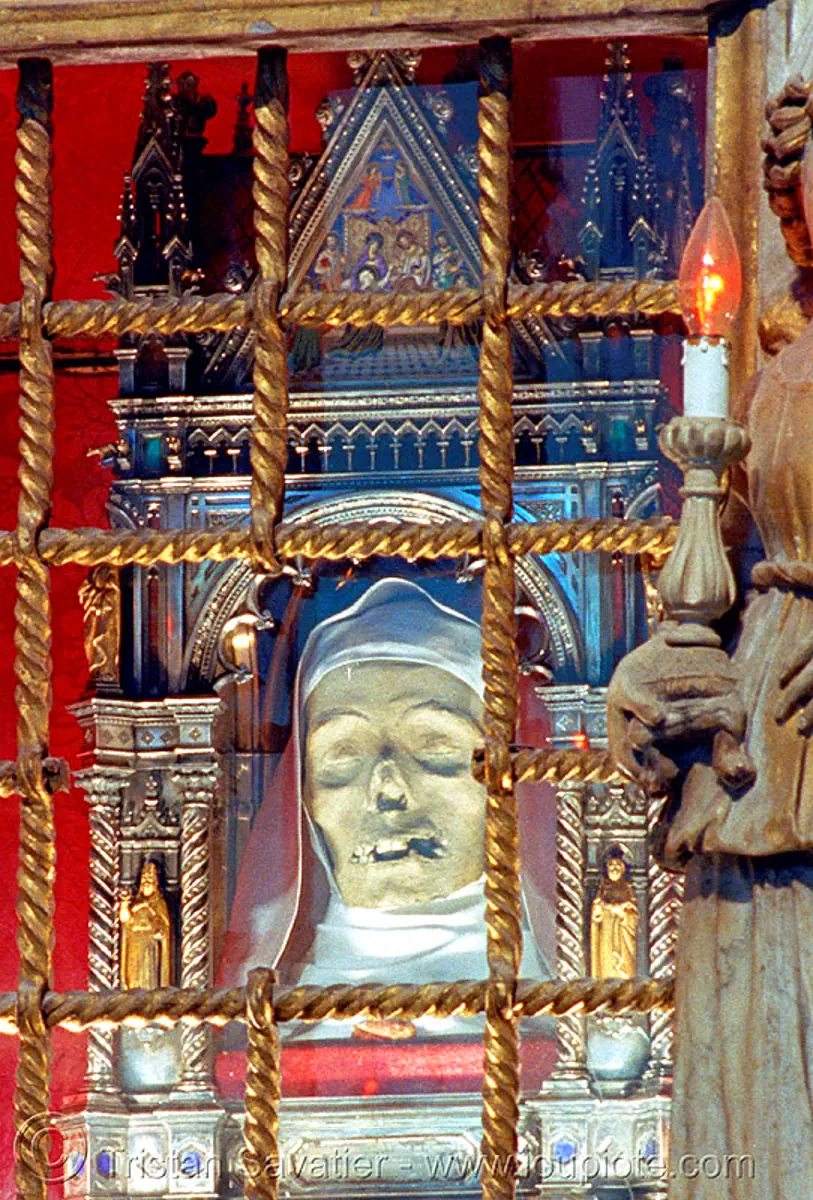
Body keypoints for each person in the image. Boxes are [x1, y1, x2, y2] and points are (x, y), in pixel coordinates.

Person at [606, 82, 813, 1198]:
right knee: (753, 1087)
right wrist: (654, 689)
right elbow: (704, 594)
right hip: (757, 775)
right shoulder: (774, 383)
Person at [219, 579, 555, 1038]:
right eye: (343, 757)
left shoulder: (571, 1007)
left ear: (504, 781)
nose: (388, 788)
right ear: (304, 794)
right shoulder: (251, 1016)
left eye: (436, 748)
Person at [119, 861, 171, 989]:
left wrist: (158, 931)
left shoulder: (159, 904)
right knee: (133, 980)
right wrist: (126, 904)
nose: (146, 885)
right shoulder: (135, 903)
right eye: (144, 882)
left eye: (150, 882)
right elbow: (126, 920)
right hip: (135, 945)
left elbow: (164, 926)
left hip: (149, 946)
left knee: (148, 978)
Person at [589, 848, 638, 980]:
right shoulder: (603, 888)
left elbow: (634, 913)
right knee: (606, 961)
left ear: (622, 869)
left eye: (617, 865)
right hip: (606, 931)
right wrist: (597, 911)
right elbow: (596, 910)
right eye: (611, 865)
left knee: (622, 966)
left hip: (621, 933)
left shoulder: (628, 888)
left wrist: (623, 914)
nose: (614, 869)